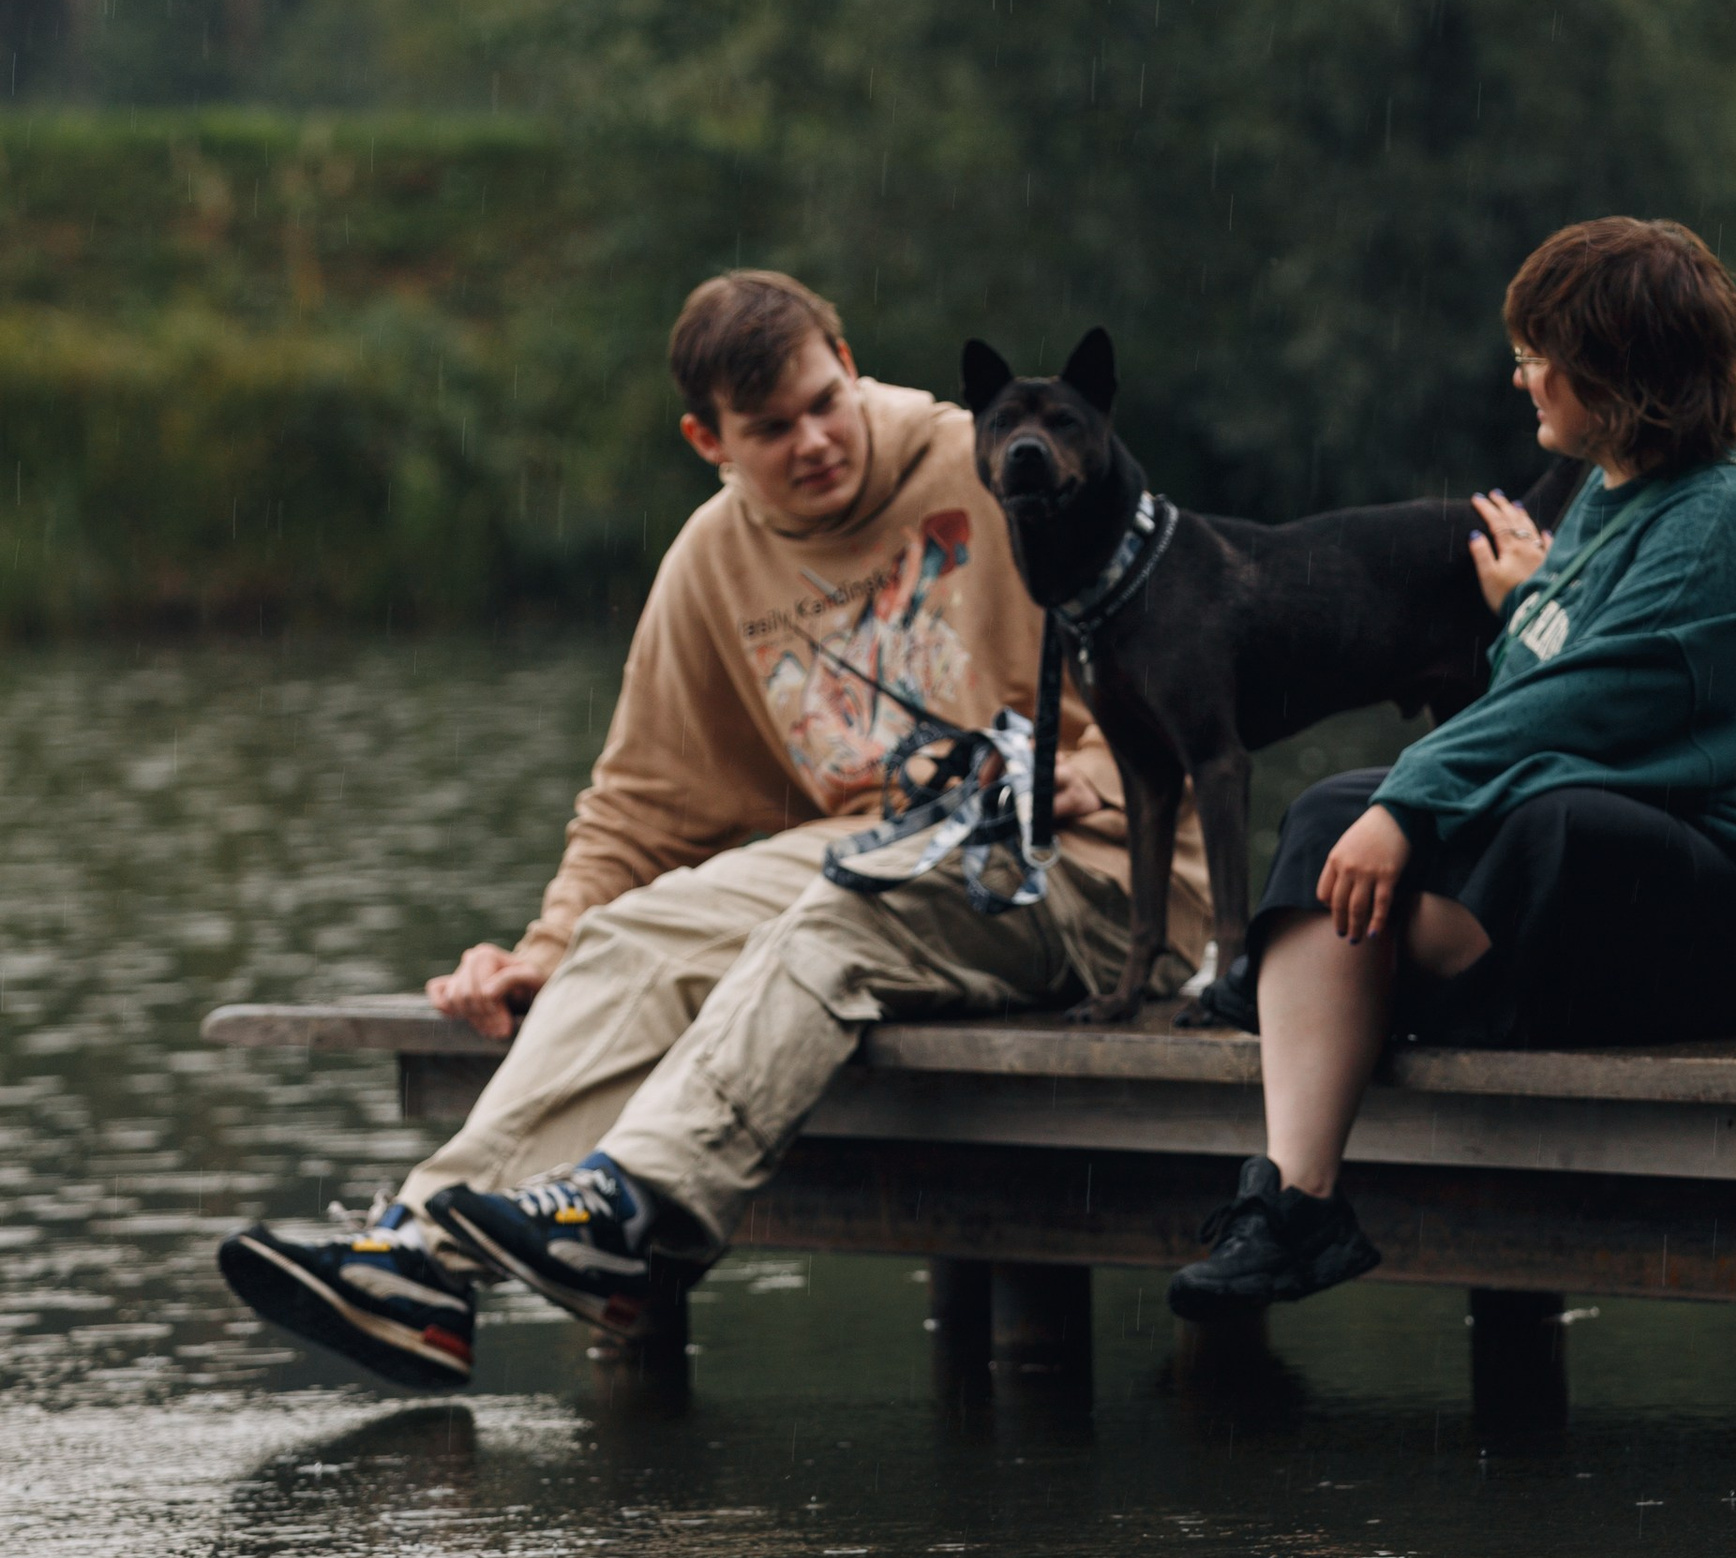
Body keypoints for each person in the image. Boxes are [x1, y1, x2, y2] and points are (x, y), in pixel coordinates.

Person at [220, 270, 1206, 1389]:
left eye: (826, 400)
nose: (817, 441)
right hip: (887, 853)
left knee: (846, 905)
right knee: (635, 933)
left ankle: (634, 1210)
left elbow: (1194, 662)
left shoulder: (1001, 457)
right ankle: (420, 1264)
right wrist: (541, 951)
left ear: (847, 354)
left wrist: (1087, 769)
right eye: (773, 429)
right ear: (708, 439)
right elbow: (641, 804)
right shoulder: (711, 559)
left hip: (1099, 875)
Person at [1169, 216, 1736, 1317]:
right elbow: (1540, 689)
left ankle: (1338, 974)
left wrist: (1412, 801)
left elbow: (1574, 704)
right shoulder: (1612, 489)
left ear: (1617, 375)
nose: (1521, 374)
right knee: (1328, 807)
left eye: (1543, 352)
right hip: (1622, 882)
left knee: (1547, 828)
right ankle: (1296, 1207)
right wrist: (1531, 606)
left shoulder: (1723, 517)